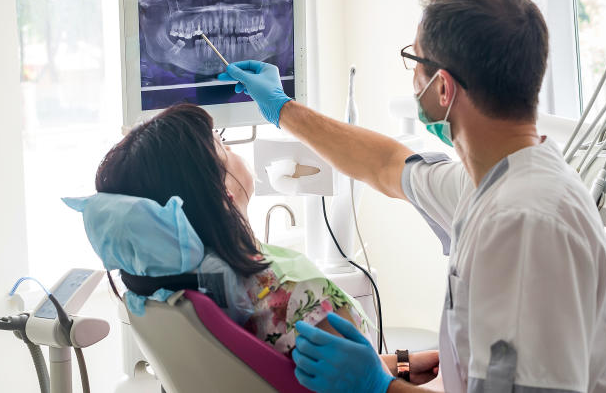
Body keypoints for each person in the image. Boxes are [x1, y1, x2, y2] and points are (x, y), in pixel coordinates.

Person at [217, 0, 606, 392]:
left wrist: (380, 385)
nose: (412, 78)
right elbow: (386, 164)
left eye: (415, 62)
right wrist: (281, 108)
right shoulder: (496, 180)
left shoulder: (521, 223)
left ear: (442, 87)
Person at [77, 103, 425, 363]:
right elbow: (364, 383)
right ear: (223, 192)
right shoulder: (294, 298)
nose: (233, 151)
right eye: (223, 147)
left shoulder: (162, 293)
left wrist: (405, 364)